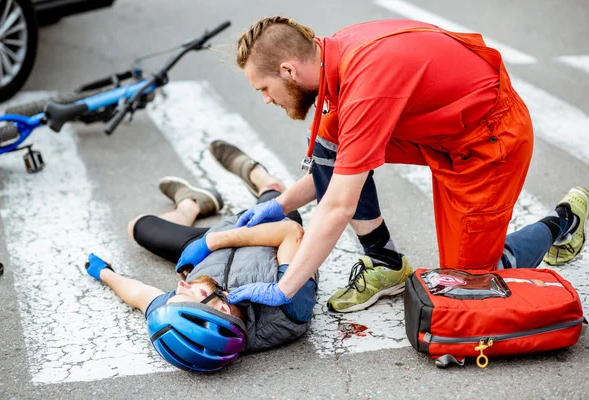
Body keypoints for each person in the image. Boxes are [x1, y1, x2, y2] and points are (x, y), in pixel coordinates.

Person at [225, 16, 589, 313]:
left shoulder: (366, 86)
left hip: (489, 142)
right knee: (332, 130)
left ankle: (563, 221)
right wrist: (280, 206)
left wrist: (285, 288)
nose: (266, 100)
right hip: (443, 132)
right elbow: (341, 161)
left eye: (263, 88)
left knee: (469, 285)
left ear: (288, 71)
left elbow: (338, 204)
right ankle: (385, 263)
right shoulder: (335, 52)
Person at [84, 140, 317, 372]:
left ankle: (190, 204)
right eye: (187, 293)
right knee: (274, 196)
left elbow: (140, 296)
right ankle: (258, 175)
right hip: (267, 228)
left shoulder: (188, 312)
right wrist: (214, 241)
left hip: (210, 246)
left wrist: (104, 273)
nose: (180, 285)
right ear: (223, 309)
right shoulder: (289, 307)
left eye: (175, 295)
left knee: (138, 226)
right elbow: (289, 233)